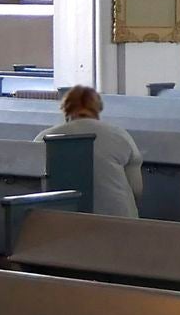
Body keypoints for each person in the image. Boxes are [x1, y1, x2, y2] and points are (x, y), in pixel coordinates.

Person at [35, 85, 144, 218]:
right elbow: (136, 189)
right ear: (98, 108)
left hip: (61, 220)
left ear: (65, 109)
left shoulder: (44, 138)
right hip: (118, 220)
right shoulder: (120, 135)